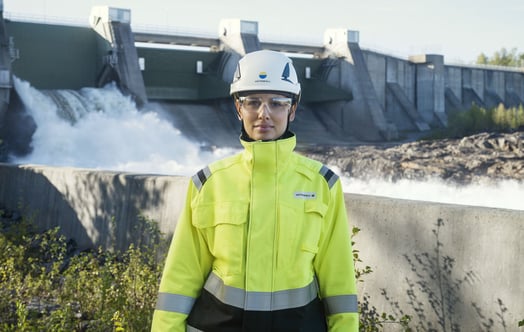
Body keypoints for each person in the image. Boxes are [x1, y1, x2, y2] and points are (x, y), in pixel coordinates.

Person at [151, 50, 358, 331]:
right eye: (252, 102)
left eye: (277, 103)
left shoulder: (323, 185)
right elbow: (180, 279)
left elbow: (340, 285)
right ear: (238, 108)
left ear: (292, 109)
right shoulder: (208, 183)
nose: (264, 114)